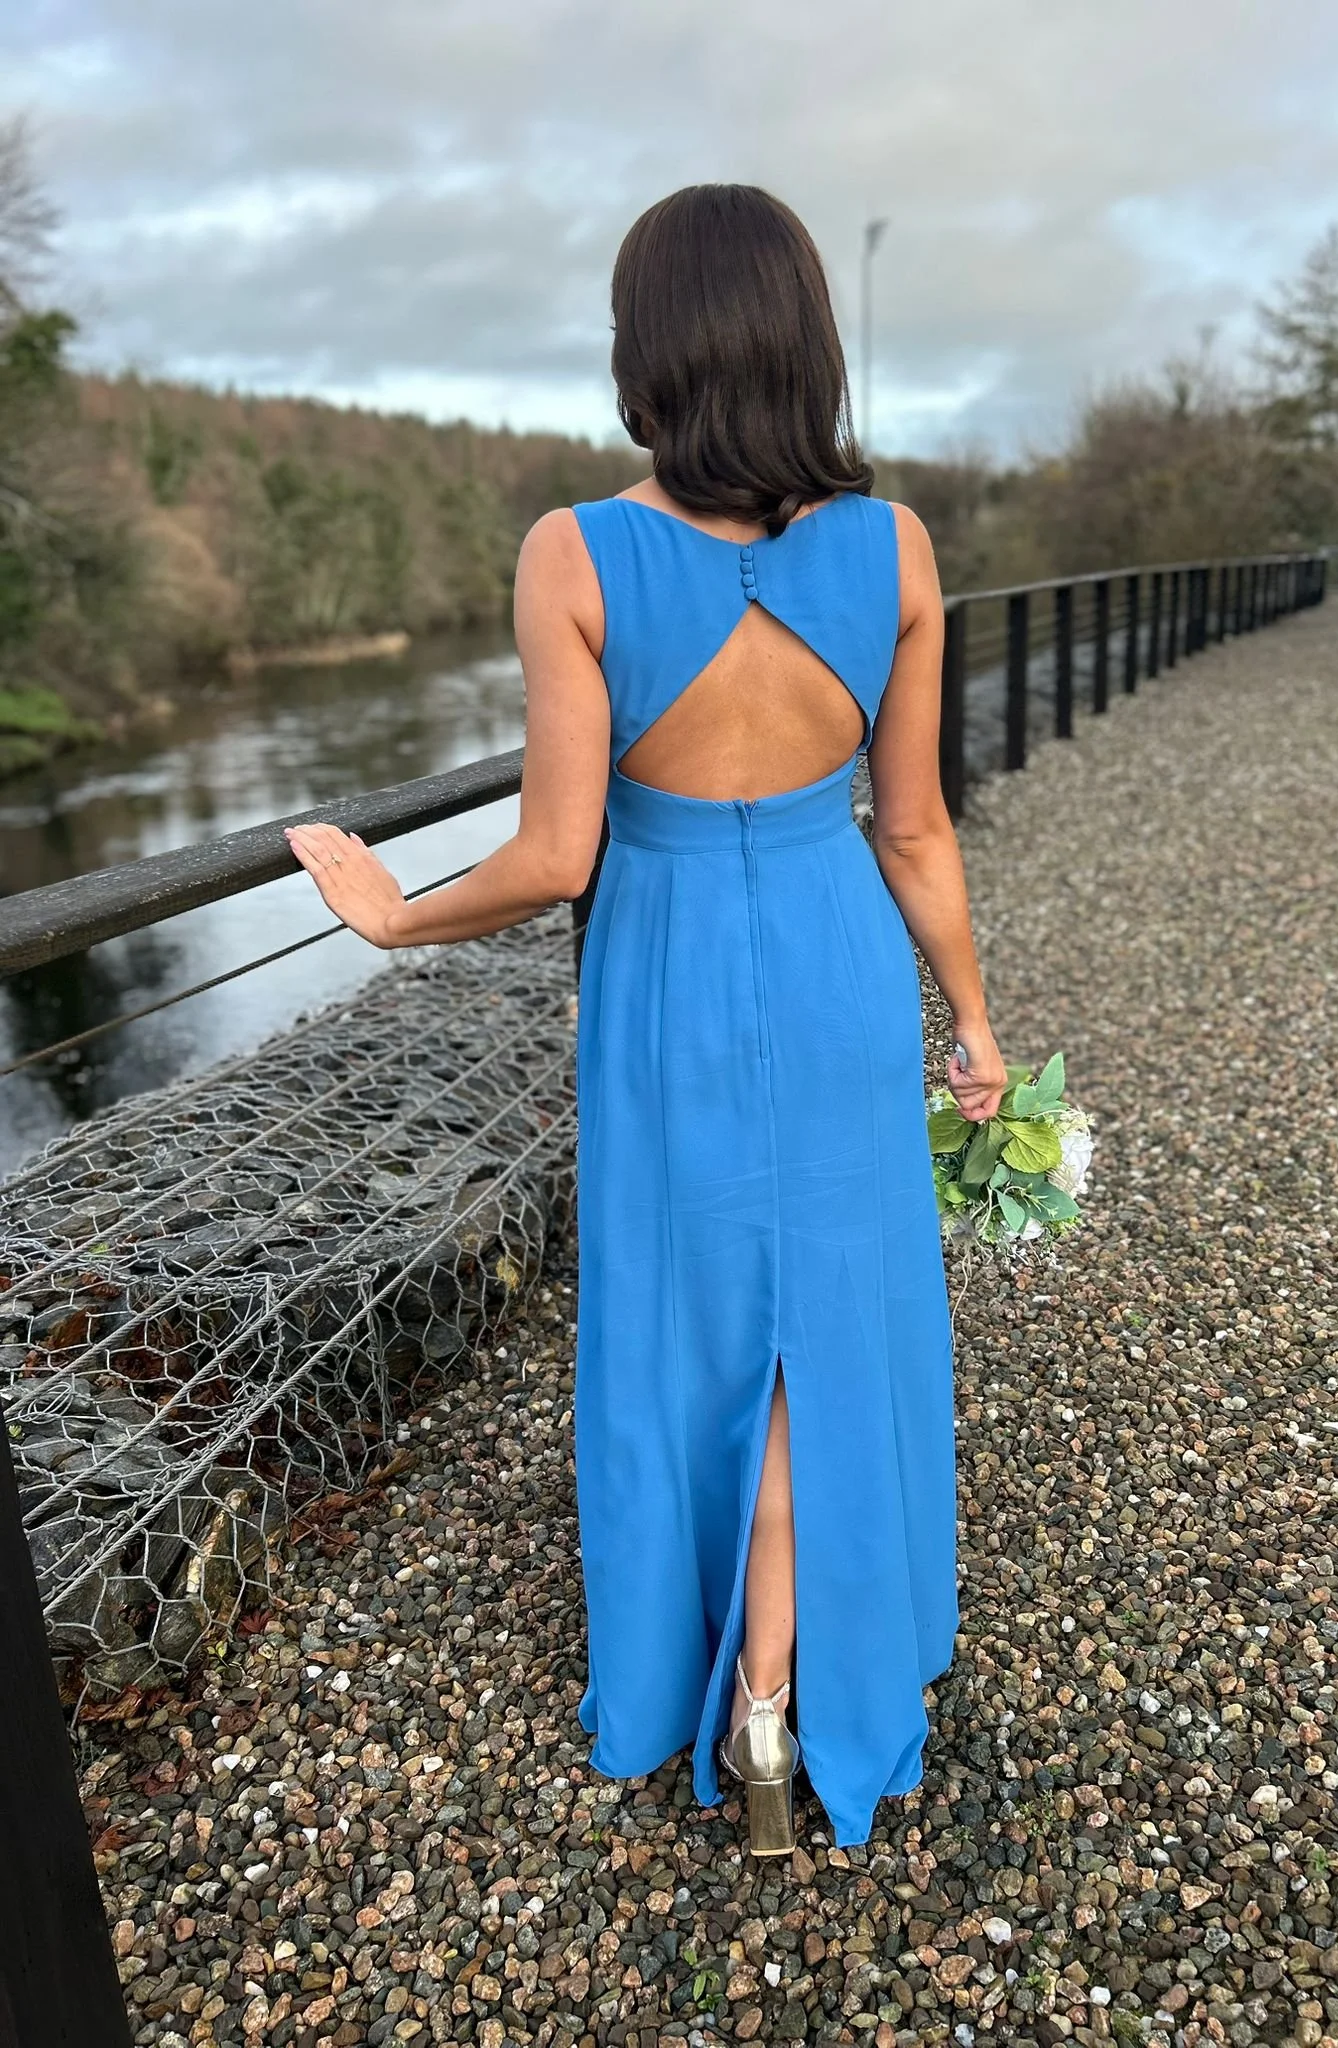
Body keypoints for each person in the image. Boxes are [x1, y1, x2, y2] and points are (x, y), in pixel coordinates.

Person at [285, 182, 1007, 1857]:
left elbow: (555, 855)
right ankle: (798, 1684)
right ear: (804, 342)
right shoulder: (891, 546)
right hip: (833, 956)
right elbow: (913, 830)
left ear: (647, 353)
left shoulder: (575, 552)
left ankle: (737, 1681)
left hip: (670, 973)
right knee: (827, 1304)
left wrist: (394, 914)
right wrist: (968, 1022)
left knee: (697, 1309)